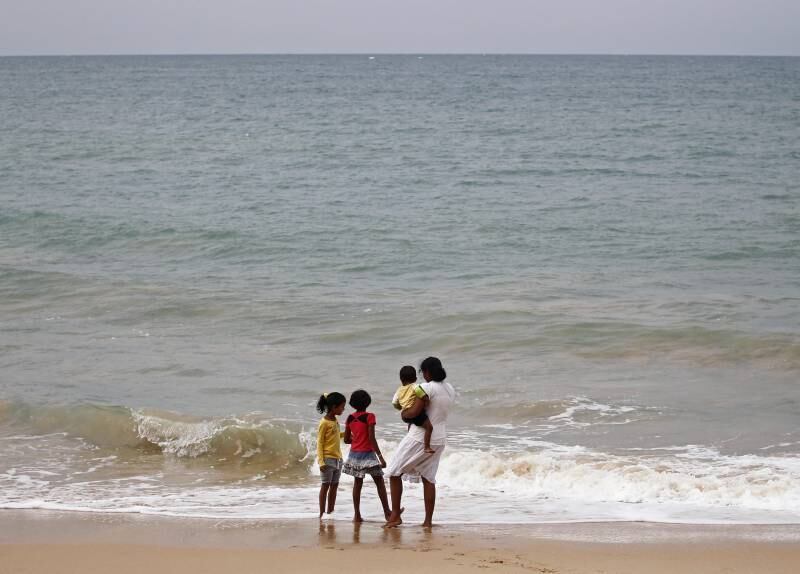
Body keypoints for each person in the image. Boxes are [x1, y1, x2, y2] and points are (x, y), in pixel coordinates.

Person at [385, 356, 455, 529]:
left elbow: (414, 413)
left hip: (418, 436)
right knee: (429, 478)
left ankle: (395, 516)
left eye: (423, 372)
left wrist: (403, 414)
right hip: (439, 438)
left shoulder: (425, 387)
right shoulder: (449, 388)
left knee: (394, 471)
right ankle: (427, 521)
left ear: (427, 371)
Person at [342, 389, 391, 522]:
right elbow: (372, 438)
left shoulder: (350, 418)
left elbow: (346, 440)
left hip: (354, 455)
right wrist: (381, 457)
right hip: (368, 455)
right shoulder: (370, 416)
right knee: (379, 482)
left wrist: (356, 439)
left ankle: (357, 515)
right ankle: (387, 513)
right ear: (367, 402)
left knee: (357, 484)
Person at [316, 392, 346, 519]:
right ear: (334, 407)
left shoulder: (335, 420)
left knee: (334, 486)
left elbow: (335, 436)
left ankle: (330, 512)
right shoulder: (324, 423)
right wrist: (321, 461)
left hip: (338, 459)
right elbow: (320, 442)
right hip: (327, 459)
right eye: (342, 407)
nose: (343, 409)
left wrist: (347, 434)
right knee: (325, 486)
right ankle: (322, 513)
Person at [393, 366, 435, 454]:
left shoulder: (399, 390)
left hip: (405, 416)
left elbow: (395, 403)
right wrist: (427, 403)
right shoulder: (415, 386)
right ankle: (427, 447)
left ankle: (409, 434)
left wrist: (400, 407)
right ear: (415, 378)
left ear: (401, 379)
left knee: (411, 422)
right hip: (417, 414)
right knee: (429, 428)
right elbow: (423, 396)